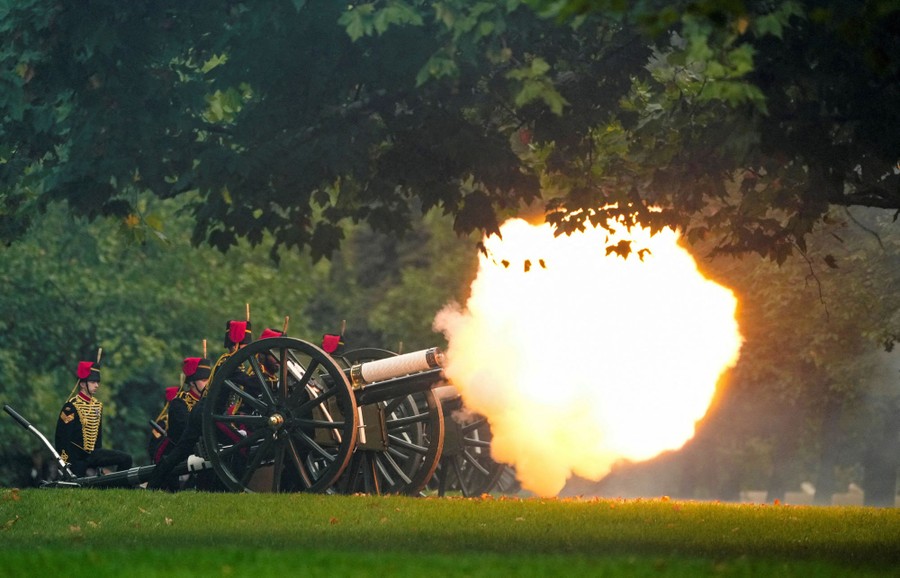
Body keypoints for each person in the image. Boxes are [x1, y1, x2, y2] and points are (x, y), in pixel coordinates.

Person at [147, 320, 252, 491]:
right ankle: (237, 488)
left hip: (204, 412)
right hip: (209, 414)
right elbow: (248, 382)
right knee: (241, 445)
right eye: (246, 345)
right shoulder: (229, 363)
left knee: (178, 454)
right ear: (237, 345)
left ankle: (152, 486)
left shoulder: (229, 362)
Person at [55, 360, 133, 477]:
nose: (96, 385)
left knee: (126, 459)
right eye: (92, 382)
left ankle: (119, 484)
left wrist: (99, 463)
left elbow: (98, 438)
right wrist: (66, 464)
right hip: (76, 458)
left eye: (97, 382)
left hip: (93, 456)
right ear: (82, 384)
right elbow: (62, 439)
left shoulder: (98, 406)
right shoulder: (70, 407)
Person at [147, 357, 212, 490]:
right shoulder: (179, 403)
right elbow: (185, 432)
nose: (208, 384)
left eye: (209, 380)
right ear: (192, 382)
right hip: (172, 451)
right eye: (204, 380)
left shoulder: (209, 402)